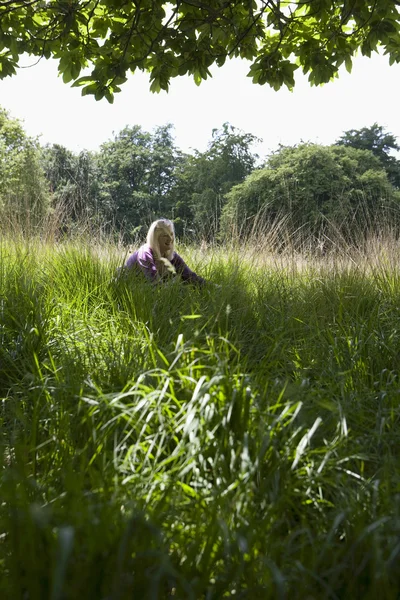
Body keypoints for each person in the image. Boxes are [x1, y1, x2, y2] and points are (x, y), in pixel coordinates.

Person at [125, 218, 206, 285]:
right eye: (165, 235)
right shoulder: (145, 254)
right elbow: (154, 283)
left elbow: (190, 276)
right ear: (155, 238)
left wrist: (213, 287)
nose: (170, 239)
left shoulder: (171, 255)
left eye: (171, 234)